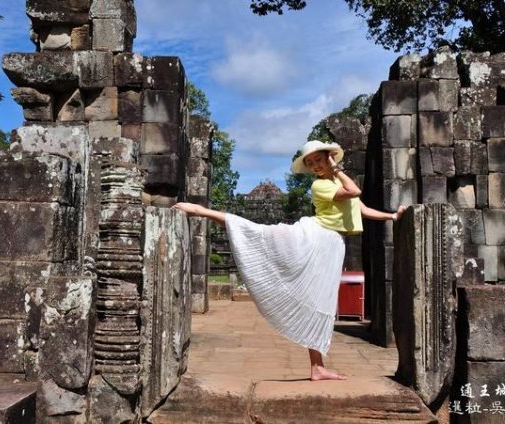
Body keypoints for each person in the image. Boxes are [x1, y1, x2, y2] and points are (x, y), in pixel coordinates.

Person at [173, 140, 406, 381]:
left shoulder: (336, 182)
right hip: (315, 237)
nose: (315, 166)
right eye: (310, 163)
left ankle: (317, 366)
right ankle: (200, 211)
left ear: (330, 157)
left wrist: (392, 217)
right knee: (259, 233)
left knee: (321, 302)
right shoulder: (320, 186)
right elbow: (355, 191)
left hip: (332, 244)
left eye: (318, 160)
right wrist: (336, 169)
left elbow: (361, 209)